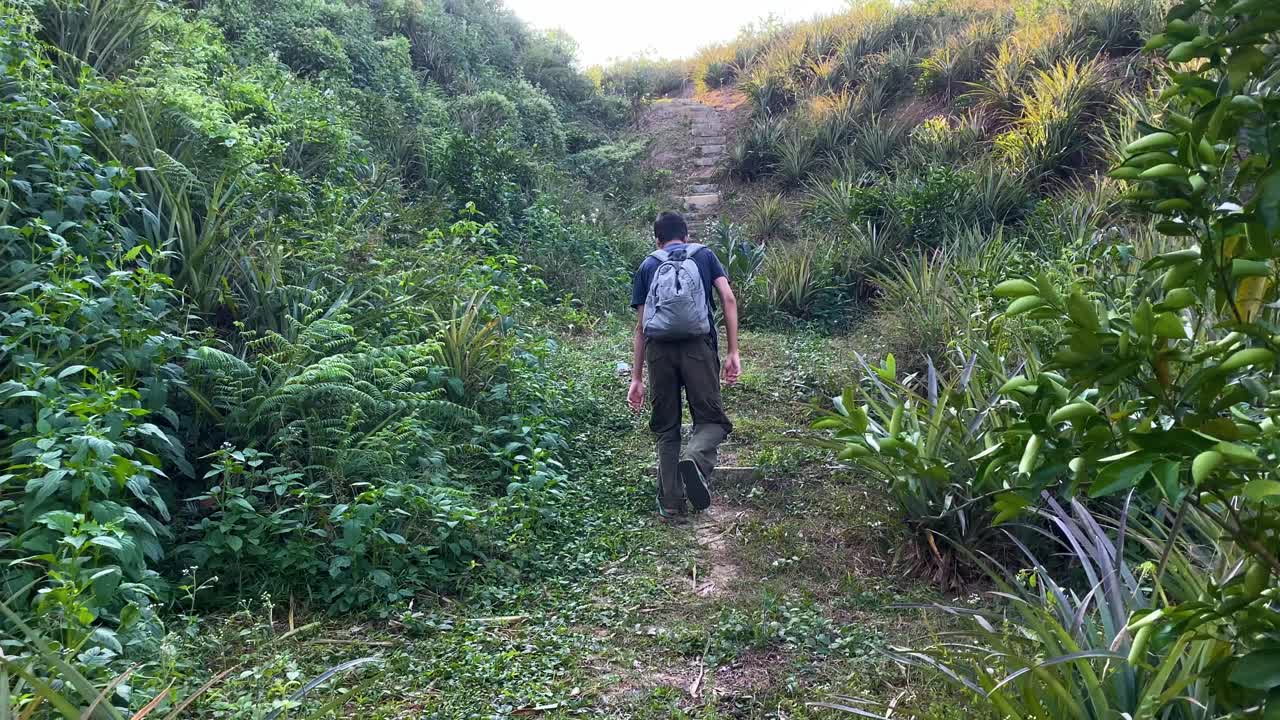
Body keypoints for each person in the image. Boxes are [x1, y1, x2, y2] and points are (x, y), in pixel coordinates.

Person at [628, 211, 741, 521]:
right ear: (686, 235)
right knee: (712, 421)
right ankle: (694, 459)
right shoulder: (704, 256)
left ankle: (671, 504)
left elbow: (640, 327)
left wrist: (636, 377)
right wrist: (733, 351)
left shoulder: (648, 265)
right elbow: (728, 299)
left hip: (659, 352)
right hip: (698, 348)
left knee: (667, 428)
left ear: (657, 240)